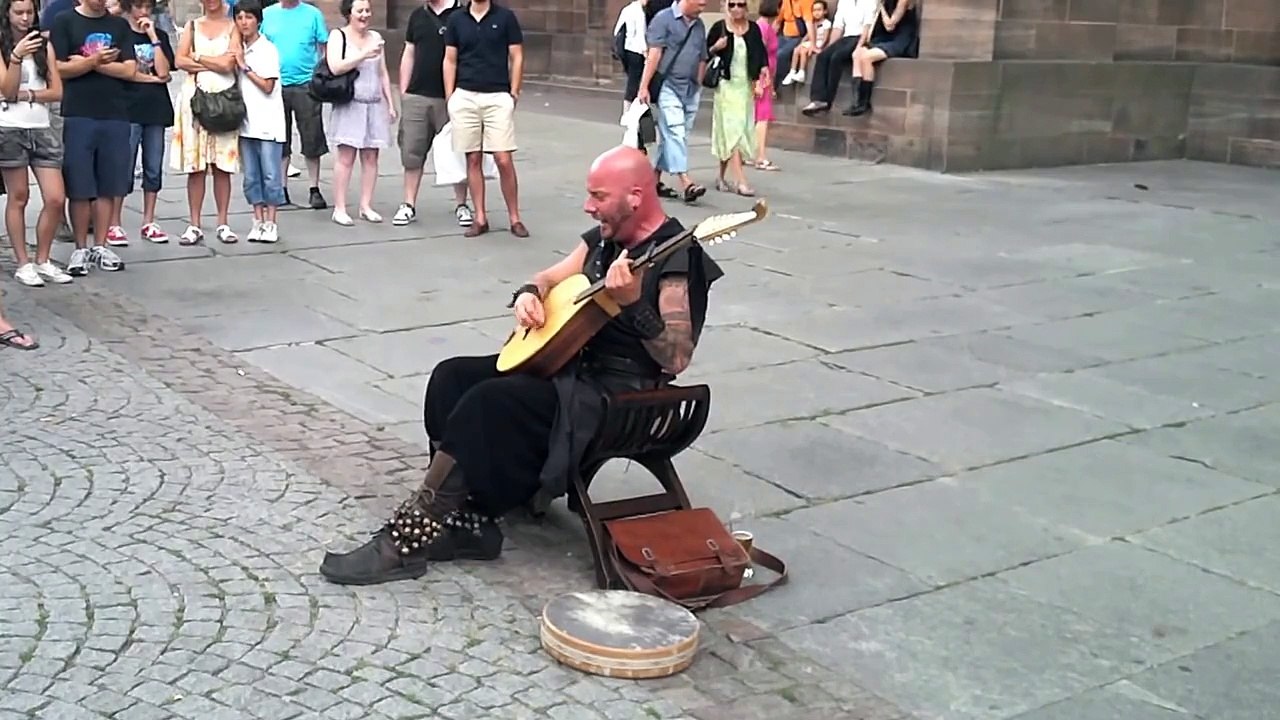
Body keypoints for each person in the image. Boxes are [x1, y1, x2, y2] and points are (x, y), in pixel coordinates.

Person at [318, 145, 725, 586]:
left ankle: (409, 539)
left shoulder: (677, 258)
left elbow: (677, 358)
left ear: (636, 195)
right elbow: (551, 276)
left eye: (598, 197)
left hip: (618, 397)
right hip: (570, 369)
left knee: (490, 402)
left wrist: (633, 307)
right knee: (452, 376)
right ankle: (467, 518)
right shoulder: (608, 236)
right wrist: (529, 293)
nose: (589, 206)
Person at [49, 0, 136, 275]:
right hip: (78, 112)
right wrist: (96, 61)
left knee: (108, 184)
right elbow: (59, 68)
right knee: (79, 184)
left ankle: (100, 244)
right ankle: (80, 247)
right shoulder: (64, 21)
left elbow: (130, 69)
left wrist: (90, 63)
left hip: (115, 112)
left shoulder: (119, 25)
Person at [0, 0, 72, 287]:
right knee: (19, 196)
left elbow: (56, 91)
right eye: (19, 12)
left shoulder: (44, 46)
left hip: (41, 127)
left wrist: (27, 95)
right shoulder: (4, 47)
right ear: (7, 14)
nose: (25, 18)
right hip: (10, 128)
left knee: (55, 197)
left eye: (29, 12)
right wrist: (16, 57)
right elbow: (6, 89)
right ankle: (23, 262)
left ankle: (43, 258)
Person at [442, 0, 527, 238]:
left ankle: (515, 217)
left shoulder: (505, 17)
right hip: (465, 94)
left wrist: (514, 91)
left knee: (503, 158)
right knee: (473, 158)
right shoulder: (456, 19)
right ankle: (480, 217)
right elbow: (450, 59)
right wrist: (450, 96)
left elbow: (517, 55)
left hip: (497, 94)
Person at [393, 0, 474, 228]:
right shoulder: (418, 15)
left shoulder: (462, 14)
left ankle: (461, 204)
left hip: (451, 96)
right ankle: (408, 204)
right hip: (417, 95)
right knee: (412, 152)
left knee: (458, 151)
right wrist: (404, 90)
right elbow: (409, 52)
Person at [171, 0, 241, 245]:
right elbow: (179, 60)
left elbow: (227, 65)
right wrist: (214, 61)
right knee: (196, 166)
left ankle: (223, 222)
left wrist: (198, 57)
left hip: (224, 100)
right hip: (195, 100)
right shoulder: (191, 25)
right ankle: (194, 224)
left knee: (223, 165)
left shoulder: (233, 27)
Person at [325, 0, 395, 226]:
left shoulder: (376, 38)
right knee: (346, 157)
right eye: (360, 11)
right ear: (349, 13)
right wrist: (363, 54)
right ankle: (340, 207)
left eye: (367, 11)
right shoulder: (338, 36)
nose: (364, 15)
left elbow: (383, 73)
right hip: (350, 102)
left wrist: (390, 103)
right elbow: (336, 66)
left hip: (373, 103)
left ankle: (366, 205)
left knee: (371, 156)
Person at [114, 0, 174, 244]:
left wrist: (152, 36)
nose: (144, 12)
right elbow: (123, 71)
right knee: (123, 166)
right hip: (127, 108)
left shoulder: (158, 34)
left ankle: (149, 220)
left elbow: (164, 71)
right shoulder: (120, 32)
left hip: (155, 109)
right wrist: (149, 80)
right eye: (139, 7)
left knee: (153, 166)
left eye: (148, 7)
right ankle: (114, 222)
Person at [637, 0, 708, 205]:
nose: (702, 8)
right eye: (700, 4)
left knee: (675, 136)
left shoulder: (699, 25)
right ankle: (686, 182)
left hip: (690, 88)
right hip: (668, 85)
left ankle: (654, 179)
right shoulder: (664, 20)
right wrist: (644, 86)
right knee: (675, 131)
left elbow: (702, 56)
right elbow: (654, 55)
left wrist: (699, 82)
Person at [261, 0, 328, 209]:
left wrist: (321, 75)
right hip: (276, 84)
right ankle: (281, 188)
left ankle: (314, 188)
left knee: (312, 137)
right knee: (280, 139)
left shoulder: (313, 14)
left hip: (306, 84)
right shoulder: (267, 14)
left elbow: (324, 46)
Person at [234, 0, 285, 242]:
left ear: (258, 20)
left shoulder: (267, 49)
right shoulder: (237, 48)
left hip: (268, 124)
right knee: (251, 176)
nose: (244, 22)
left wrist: (245, 67)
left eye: (249, 17)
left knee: (271, 176)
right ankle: (258, 219)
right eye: (240, 17)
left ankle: (271, 222)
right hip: (246, 124)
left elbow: (267, 85)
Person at [706, 0, 765, 196]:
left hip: (744, 86)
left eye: (741, 4)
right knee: (734, 132)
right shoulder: (719, 28)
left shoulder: (753, 28)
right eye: (732, 4)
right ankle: (741, 181)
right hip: (726, 87)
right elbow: (705, 54)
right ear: (725, 6)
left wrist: (759, 80)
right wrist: (716, 47)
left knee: (737, 131)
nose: (737, 9)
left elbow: (760, 56)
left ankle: (721, 176)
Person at [843, 0, 918, 116]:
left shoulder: (903, 1)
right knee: (857, 54)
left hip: (900, 40)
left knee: (866, 57)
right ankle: (856, 101)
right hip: (884, 39)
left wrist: (881, 7)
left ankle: (864, 103)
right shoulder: (885, 3)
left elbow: (890, 25)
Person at [798, 0, 872, 116]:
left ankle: (827, 100)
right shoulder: (844, 2)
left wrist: (859, 45)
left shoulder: (869, 2)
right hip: (846, 37)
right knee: (823, 56)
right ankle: (817, 99)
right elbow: (838, 27)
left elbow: (868, 26)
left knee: (837, 57)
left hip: (861, 37)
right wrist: (829, 47)